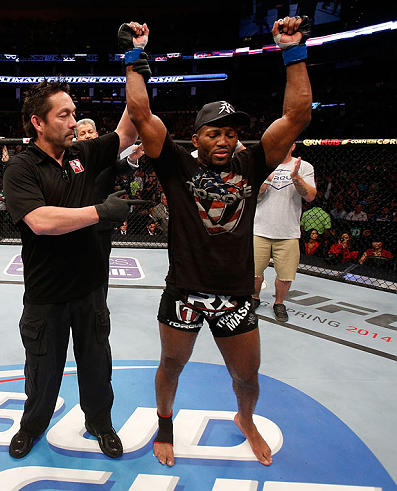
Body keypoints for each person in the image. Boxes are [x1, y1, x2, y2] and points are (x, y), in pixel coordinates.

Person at [121, 16, 312, 467]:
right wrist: (135, 56)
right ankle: (164, 423)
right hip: (185, 290)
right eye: (215, 132)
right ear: (197, 138)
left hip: (235, 295)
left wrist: (292, 50)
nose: (225, 139)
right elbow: (141, 114)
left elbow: (298, 115)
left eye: (231, 132)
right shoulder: (175, 165)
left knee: (248, 379)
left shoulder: (252, 163)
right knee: (171, 366)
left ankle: (245, 419)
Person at [3, 80, 144, 460]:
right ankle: (32, 425)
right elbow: (40, 220)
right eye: (63, 114)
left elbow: (128, 129)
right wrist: (101, 212)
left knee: (97, 364)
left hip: (89, 287)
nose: (72, 121)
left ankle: (100, 422)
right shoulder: (21, 167)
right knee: (42, 371)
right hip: (46, 293)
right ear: (37, 122)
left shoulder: (82, 154)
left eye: (73, 113)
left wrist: (135, 64)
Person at [75, 117, 142, 297]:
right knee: (75, 264)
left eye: (90, 132)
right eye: (82, 134)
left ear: (97, 134)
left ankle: (99, 304)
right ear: (77, 139)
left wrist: (132, 159)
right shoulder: (71, 157)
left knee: (101, 264)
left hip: (101, 221)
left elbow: (120, 168)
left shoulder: (108, 153)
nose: (87, 136)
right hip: (76, 220)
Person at [252, 143, 316, 322]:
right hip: (260, 228)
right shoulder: (262, 166)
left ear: (293, 145)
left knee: (286, 275)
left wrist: (296, 177)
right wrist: (266, 180)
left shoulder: (304, 166)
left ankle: (279, 303)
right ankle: (254, 298)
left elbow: (310, 196)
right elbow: (253, 195)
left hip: (288, 231)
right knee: (254, 272)